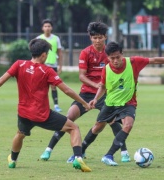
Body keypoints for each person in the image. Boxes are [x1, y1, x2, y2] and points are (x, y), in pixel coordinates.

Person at [0, 38, 92, 172]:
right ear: (43, 55)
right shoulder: (47, 71)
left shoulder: (19, 64)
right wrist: (83, 103)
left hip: (24, 113)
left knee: (20, 134)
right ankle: (78, 158)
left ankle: (13, 160)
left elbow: (0, 80)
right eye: (47, 54)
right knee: (73, 128)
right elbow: (66, 90)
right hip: (42, 115)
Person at [40, 22, 131, 163]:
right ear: (90, 38)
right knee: (68, 117)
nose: (97, 40)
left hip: (106, 95)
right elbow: (82, 76)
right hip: (87, 94)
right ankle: (48, 150)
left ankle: (124, 152)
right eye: (94, 38)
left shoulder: (110, 54)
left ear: (105, 37)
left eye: (100, 37)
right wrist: (96, 85)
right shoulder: (86, 52)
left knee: (112, 121)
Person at [86, 41, 164, 166]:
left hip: (128, 102)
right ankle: (79, 152)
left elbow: (154, 60)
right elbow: (102, 86)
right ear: (108, 58)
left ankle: (108, 155)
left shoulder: (133, 62)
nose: (115, 61)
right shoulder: (106, 69)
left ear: (122, 54)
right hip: (111, 103)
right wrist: (96, 99)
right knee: (97, 128)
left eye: (118, 57)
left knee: (128, 125)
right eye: (112, 58)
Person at [36, 19, 63, 112]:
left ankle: (56, 105)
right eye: (45, 26)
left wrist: (60, 65)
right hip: (42, 65)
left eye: (49, 26)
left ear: (51, 28)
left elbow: (59, 52)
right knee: (40, 86)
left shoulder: (56, 38)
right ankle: (39, 105)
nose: (47, 28)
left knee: (53, 85)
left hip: (53, 65)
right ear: (42, 28)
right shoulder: (39, 38)